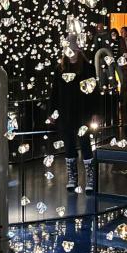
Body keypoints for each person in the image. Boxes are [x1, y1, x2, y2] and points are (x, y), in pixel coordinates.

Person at [49, 34, 97, 192]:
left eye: (74, 50)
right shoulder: (60, 69)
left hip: (83, 112)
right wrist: (52, 112)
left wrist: (94, 113)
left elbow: (93, 93)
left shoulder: (87, 68)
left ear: (78, 50)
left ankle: (90, 177)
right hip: (66, 112)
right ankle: (72, 177)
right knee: (69, 144)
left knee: (85, 143)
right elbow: (55, 92)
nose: (71, 53)